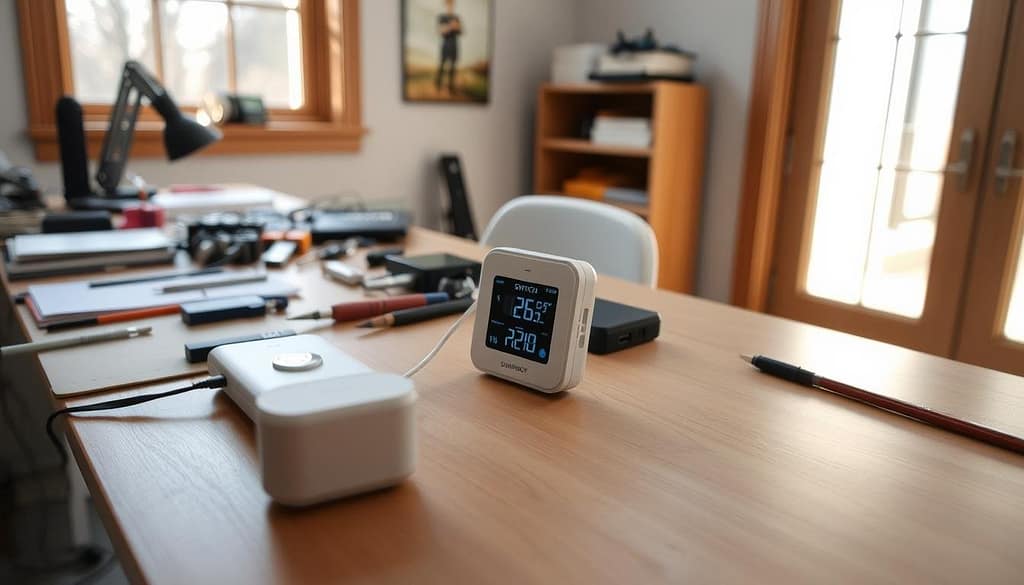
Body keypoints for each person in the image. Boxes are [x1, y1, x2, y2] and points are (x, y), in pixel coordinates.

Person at [435, 0, 462, 95]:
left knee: (453, 67)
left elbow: (460, 31)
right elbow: (440, 31)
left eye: (452, 4)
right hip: (445, 45)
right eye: (449, 4)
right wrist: (451, 26)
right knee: (442, 65)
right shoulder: (442, 17)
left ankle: (451, 87)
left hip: (454, 45)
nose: (450, 6)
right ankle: (438, 85)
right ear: (446, 5)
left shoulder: (456, 17)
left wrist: (457, 27)